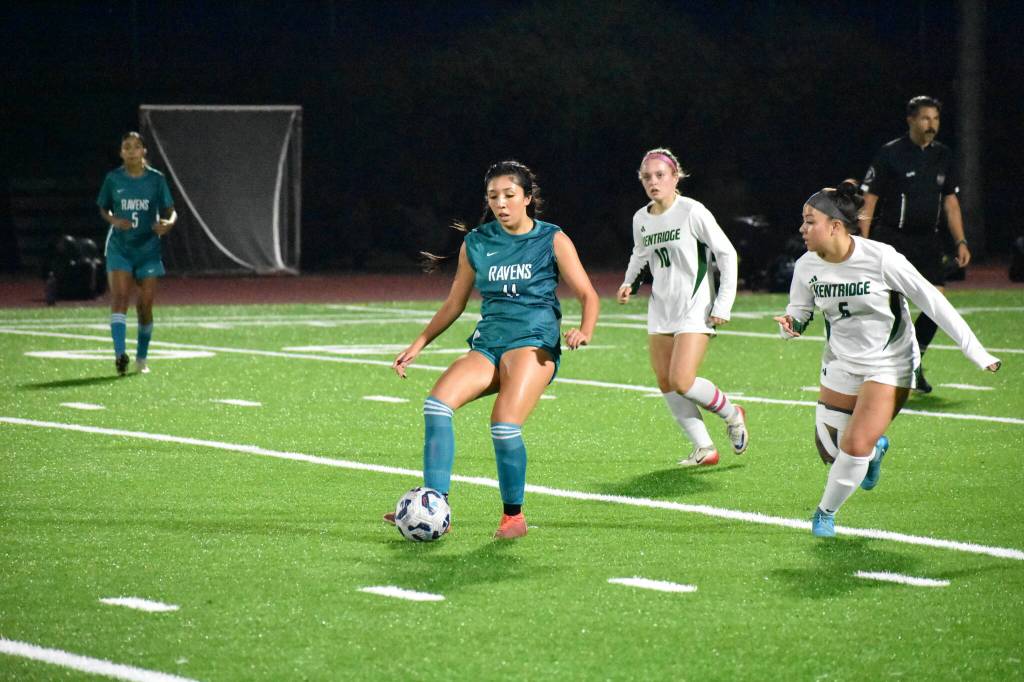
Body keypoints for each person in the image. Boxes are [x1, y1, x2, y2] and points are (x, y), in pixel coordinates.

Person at [385, 160, 599, 539]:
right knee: (436, 405)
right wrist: (418, 343)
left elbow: (587, 293)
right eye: (493, 196)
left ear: (528, 198)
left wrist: (584, 329)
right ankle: (436, 505)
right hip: (489, 345)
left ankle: (513, 517)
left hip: (533, 344)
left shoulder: (552, 239)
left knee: (502, 425)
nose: (501, 203)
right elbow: (455, 304)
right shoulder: (477, 243)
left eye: (509, 195)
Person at [774, 182, 1000, 538]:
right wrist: (791, 325)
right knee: (829, 450)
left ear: (835, 225)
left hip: (890, 362)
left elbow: (933, 301)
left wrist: (975, 350)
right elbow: (800, 312)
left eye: (809, 221)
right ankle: (875, 451)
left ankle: (824, 514)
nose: (802, 229)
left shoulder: (881, 258)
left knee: (853, 446)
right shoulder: (805, 266)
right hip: (842, 361)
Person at [616, 148, 748, 467]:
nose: (653, 181)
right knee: (665, 380)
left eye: (660, 175)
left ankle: (733, 414)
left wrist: (723, 303)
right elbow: (641, 252)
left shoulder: (692, 211)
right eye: (647, 176)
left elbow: (726, 254)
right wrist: (628, 281)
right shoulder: (641, 218)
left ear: (675, 177)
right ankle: (704, 447)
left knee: (683, 380)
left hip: (695, 305)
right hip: (661, 306)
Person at [858, 95, 970, 394]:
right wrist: (862, 241)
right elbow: (869, 199)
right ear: (911, 120)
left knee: (938, 305)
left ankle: (913, 362)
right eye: (925, 118)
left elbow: (950, 202)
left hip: (928, 242)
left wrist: (960, 239)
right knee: (890, 308)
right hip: (893, 240)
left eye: (935, 118)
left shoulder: (943, 155)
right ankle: (878, 370)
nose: (931, 125)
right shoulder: (890, 154)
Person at [96, 131, 176, 375]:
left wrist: (169, 223)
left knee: (145, 306)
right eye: (126, 147)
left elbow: (171, 210)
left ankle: (142, 358)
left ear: (144, 151)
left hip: (148, 249)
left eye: (136, 146)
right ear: (121, 153)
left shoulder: (156, 179)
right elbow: (103, 207)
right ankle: (120, 355)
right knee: (120, 298)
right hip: (120, 247)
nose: (131, 151)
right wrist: (113, 220)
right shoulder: (113, 179)